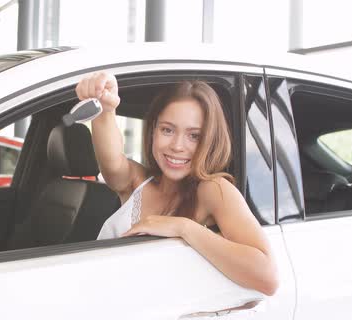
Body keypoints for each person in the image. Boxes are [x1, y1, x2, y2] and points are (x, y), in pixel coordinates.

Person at [75, 71, 279, 296]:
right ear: (153, 131)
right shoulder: (137, 181)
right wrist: (106, 108)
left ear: (211, 141)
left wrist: (183, 227)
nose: (177, 146)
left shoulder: (214, 189)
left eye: (194, 136)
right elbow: (112, 161)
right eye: (167, 130)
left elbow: (267, 277)